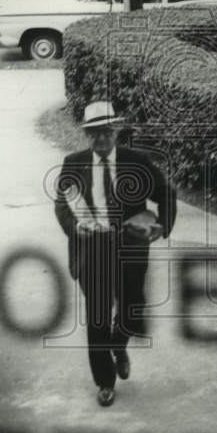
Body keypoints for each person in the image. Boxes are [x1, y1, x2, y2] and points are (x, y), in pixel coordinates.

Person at [54, 101, 176, 407]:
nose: (101, 140)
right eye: (94, 134)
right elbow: (61, 204)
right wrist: (74, 228)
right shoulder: (73, 163)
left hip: (129, 245)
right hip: (92, 247)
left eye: (106, 132)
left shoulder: (137, 162)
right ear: (86, 135)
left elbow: (165, 193)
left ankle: (118, 345)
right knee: (97, 316)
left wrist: (163, 225)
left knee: (133, 307)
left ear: (116, 131)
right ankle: (105, 382)